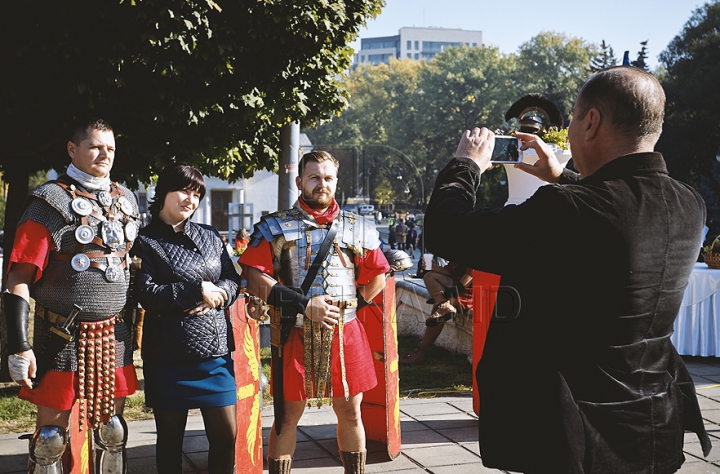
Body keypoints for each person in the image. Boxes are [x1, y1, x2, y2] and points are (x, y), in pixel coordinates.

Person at [424, 66, 711, 473]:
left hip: (577, 434)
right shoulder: (688, 204)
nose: (572, 127)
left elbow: (447, 230)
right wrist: (562, 176)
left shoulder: (569, 210)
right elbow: (623, 214)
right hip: (653, 422)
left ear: (591, 122)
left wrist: (466, 164)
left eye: (575, 116)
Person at [4, 118, 141, 473]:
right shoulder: (49, 202)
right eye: (95, 146)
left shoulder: (125, 200)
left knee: (113, 433)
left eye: (110, 148)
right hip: (61, 336)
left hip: (114, 336)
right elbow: (18, 276)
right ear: (72, 149)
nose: (104, 155)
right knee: (50, 437)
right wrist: (19, 344)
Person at [239, 150, 390, 474]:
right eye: (314, 177)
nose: (322, 184)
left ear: (336, 181)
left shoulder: (356, 226)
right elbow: (255, 276)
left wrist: (352, 306)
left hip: (345, 334)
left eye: (328, 178)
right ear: (300, 181)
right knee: (286, 416)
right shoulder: (276, 226)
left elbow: (378, 271)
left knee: (350, 413)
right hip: (294, 333)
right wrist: (304, 304)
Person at [131, 162, 242, 474]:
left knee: (226, 436)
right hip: (168, 355)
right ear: (164, 191)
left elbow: (232, 280)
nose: (190, 199)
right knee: (169, 442)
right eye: (183, 190)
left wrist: (219, 293)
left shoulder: (210, 236)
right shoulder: (145, 240)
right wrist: (197, 289)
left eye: (197, 193)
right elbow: (147, 294)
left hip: (215, 354)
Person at [400, 258, 473, 365]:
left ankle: (421, 352)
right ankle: (444, 305)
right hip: (459, 288)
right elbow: (451, 271)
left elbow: (467, 279)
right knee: (430, 277)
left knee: (439, 310)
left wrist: (445, 295)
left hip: (472, 292)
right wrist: (435, 268)